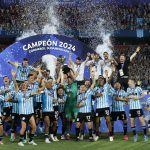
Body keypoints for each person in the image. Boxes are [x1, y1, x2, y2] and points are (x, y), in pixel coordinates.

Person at [12, 71, 37, 146]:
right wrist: (13, 76)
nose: (23, 86)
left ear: (26, 86)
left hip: (30, 112)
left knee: (34, 126)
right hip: (23, 113)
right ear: (20, 87)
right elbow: (15, 84)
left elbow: (35, 90)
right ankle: (20, 141)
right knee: (24, 127)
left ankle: (31, 140)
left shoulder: (30, 91)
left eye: (24, 85)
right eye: (22, 85)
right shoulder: (18, 93)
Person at [93, 75, 114, 142]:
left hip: (105, 107)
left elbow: (110, 79)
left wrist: (112, 72)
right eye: (99, 79)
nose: (100, 80)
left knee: (108, 120)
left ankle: (110, 135)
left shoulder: (106, 86)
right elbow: (93, 95)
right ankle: (97, 135)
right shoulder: (96, 88)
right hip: (98, 107)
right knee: (97, 122)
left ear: (104, 80)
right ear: (98, 81)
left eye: (101, 79)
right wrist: (96, 95)